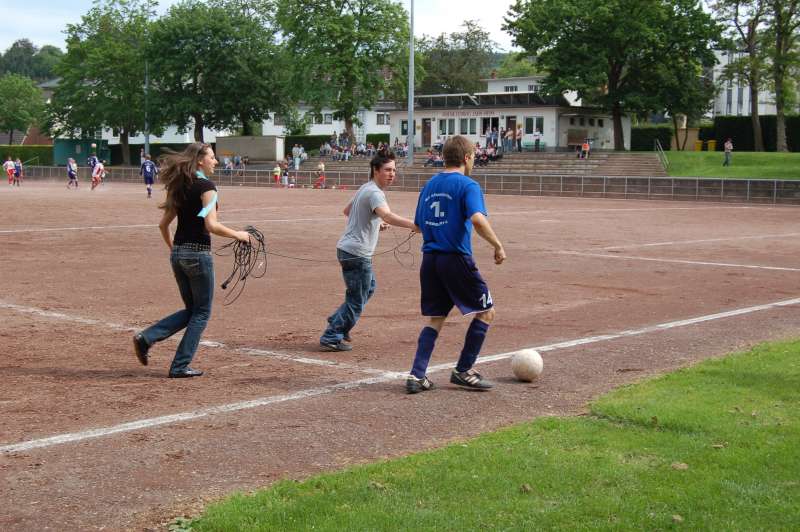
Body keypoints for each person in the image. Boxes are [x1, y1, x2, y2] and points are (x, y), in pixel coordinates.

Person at [132, 143, 251, 378]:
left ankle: (147, 338)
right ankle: (178, 365)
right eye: (212, 157)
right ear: (200, 161)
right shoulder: (207, 187)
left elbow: (163, 225)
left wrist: (175, 250)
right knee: (202, 312)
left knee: (193, 310)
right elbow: (212, 225)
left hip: (179, 255)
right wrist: (240, 235)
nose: (215, 161)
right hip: (197, 254)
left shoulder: (180, 186)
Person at [406, 135, 506, 394]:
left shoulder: (429, 184)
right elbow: (477, 219)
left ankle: (417, 376)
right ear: (466, 157)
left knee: (436, 317)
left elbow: (418, 225)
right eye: (472, 156)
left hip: (430, 260)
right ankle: (463, 370)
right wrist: (497, 245)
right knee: (486, 311)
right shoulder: (468, 185)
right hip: (455, 259)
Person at [319, 149, 418, 351]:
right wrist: (415, 225)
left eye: (394, 170)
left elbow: (348, 211)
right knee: (357, 299)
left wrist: (375, 223)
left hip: (348, 250)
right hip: (357, 253)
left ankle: (339, 320)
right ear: (375, 170)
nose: (392, 174)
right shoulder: (374, 192)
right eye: (388, 170)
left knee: (368, 288)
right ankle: (332, 335)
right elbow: (388, 216)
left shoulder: (366, 188)